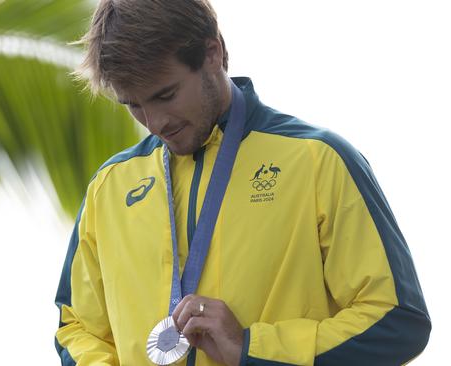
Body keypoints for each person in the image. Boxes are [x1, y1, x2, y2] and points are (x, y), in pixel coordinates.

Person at [54, 0, 431, 365]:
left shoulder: (319, 161)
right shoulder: (109, 187)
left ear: (212, 53)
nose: (154, 122)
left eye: (165, 95)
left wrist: (254, 348)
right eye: (133, 105)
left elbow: (397, 321)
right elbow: (78, 328)